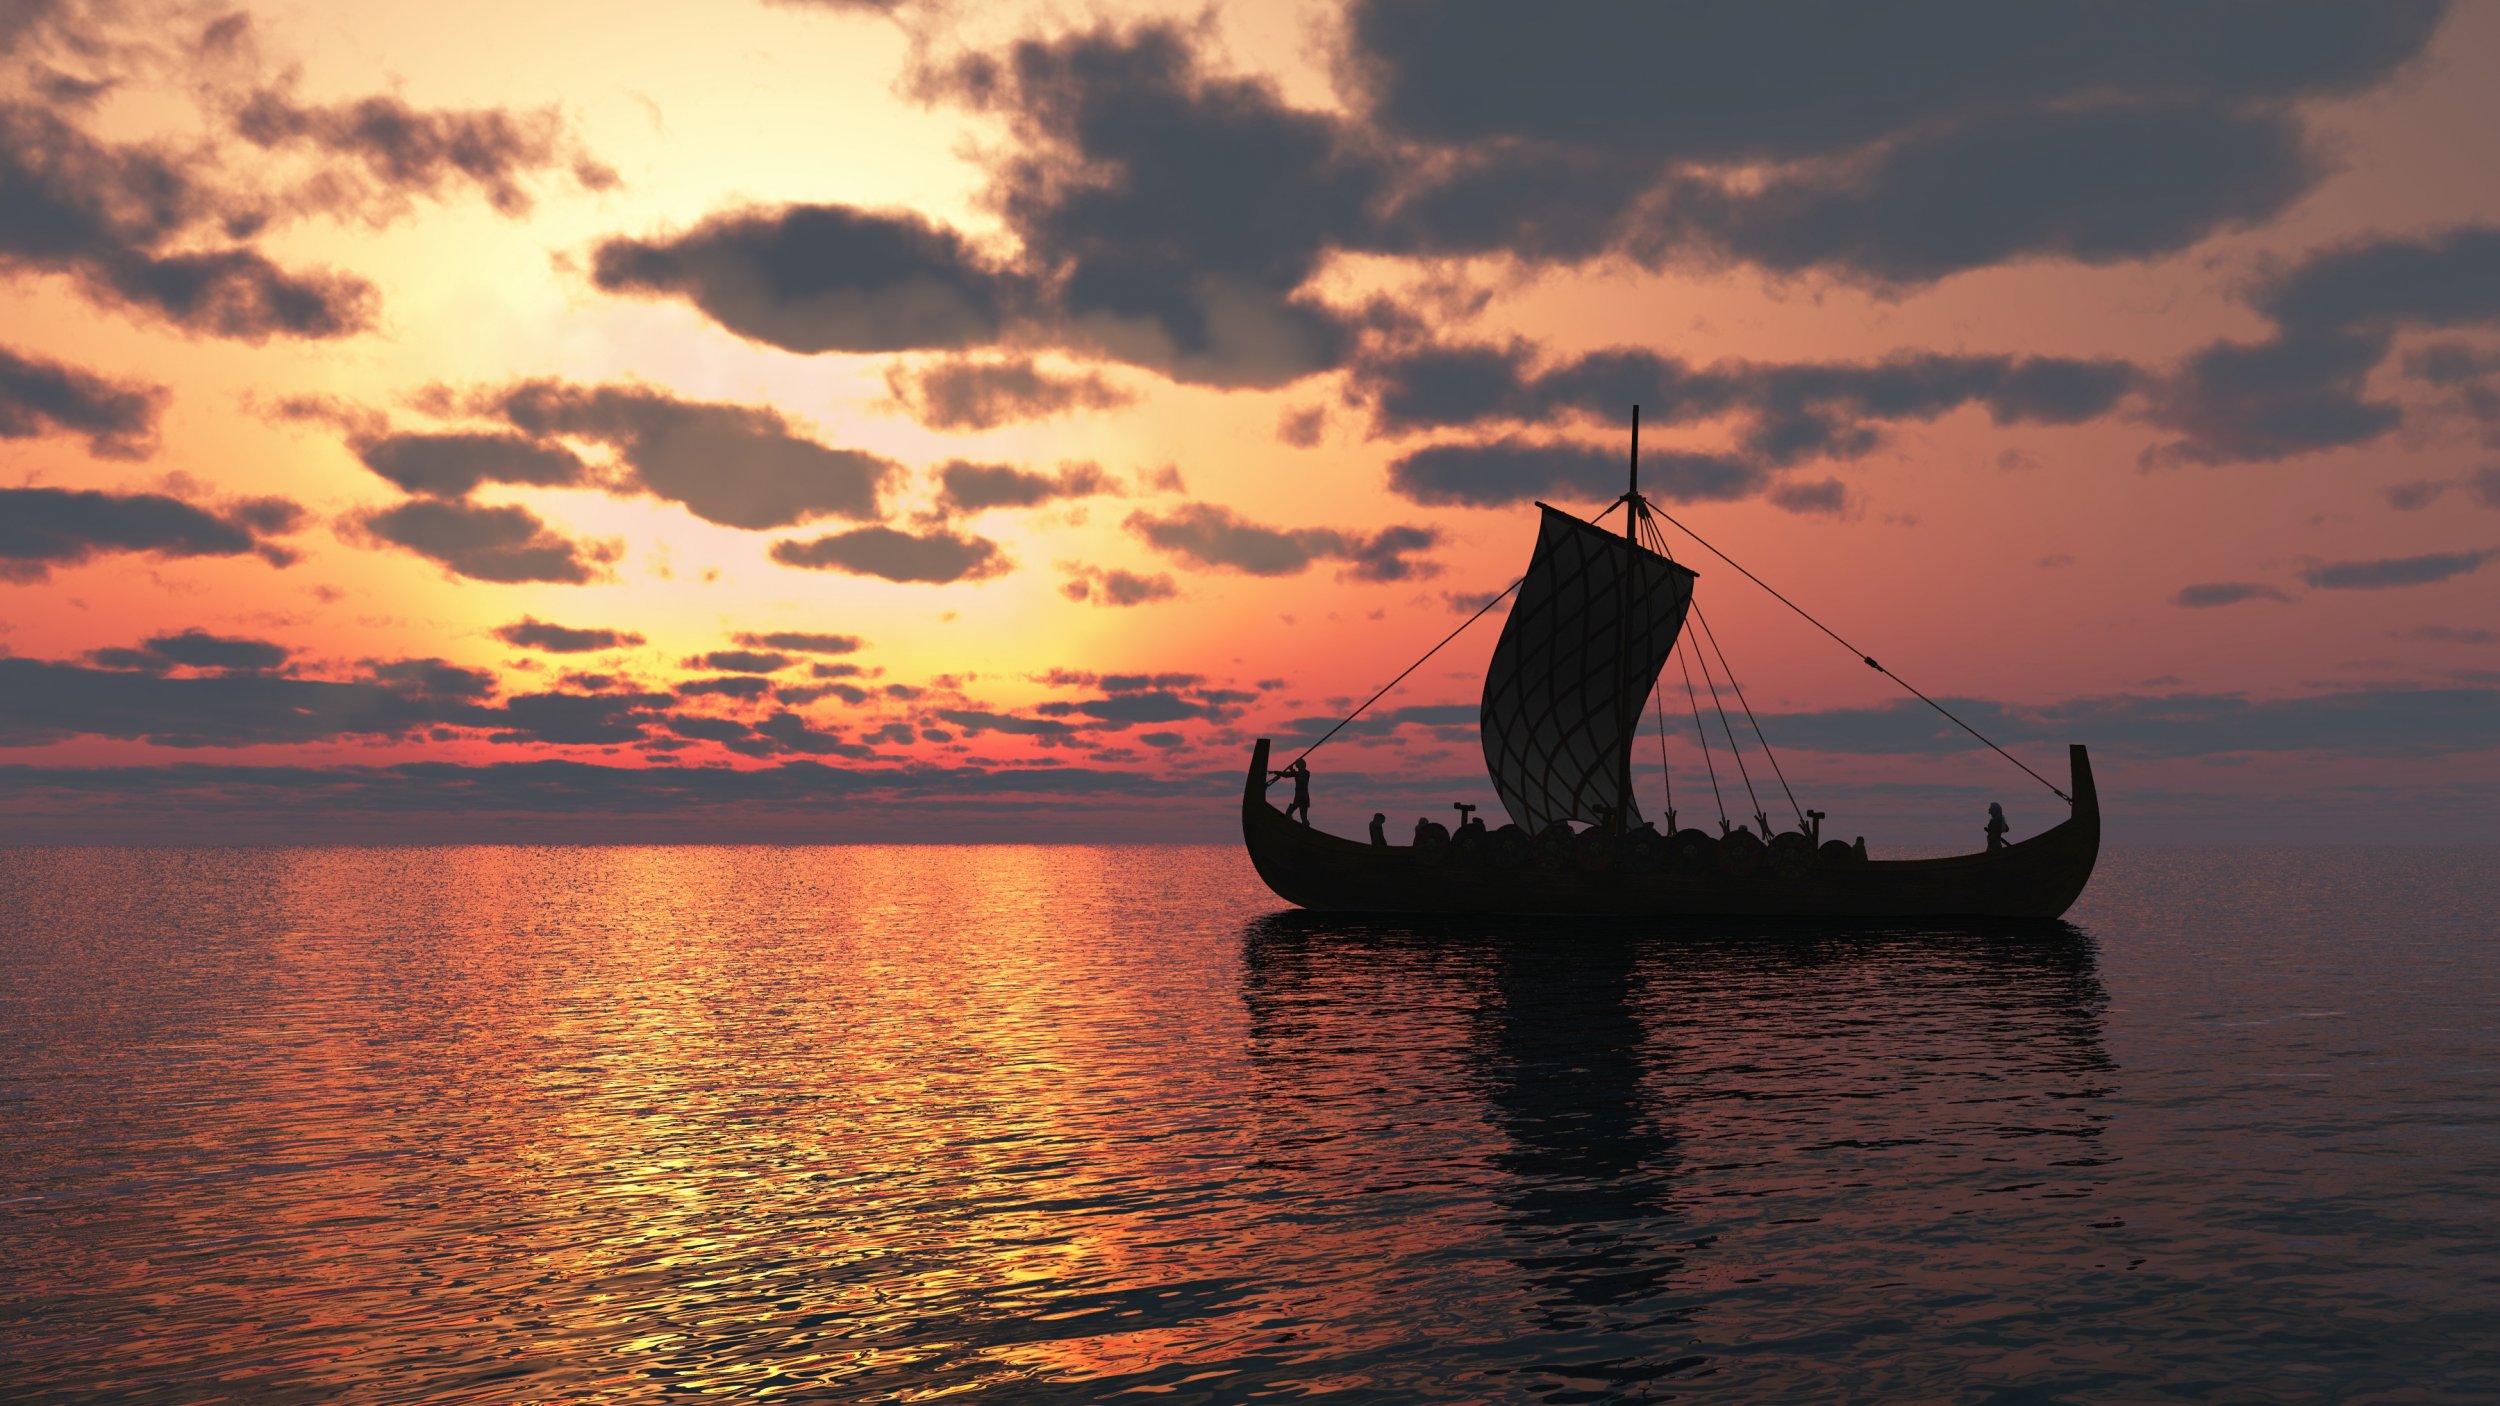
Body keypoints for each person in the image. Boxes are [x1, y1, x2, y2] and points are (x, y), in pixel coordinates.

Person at [1267, 758, 1312, 825]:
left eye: (1297, 763)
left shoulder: (1305, 773)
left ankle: (1295, 827)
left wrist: (1292, 770)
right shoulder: (1298, 773)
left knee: (1293, 814)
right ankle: (1296, 827)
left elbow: (1298, 776)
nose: (1296, 765)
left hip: (1301, 796)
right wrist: (1274, 772)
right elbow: (1286, 775)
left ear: (1301, 765)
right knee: (1300, 816)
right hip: (1301, 796)